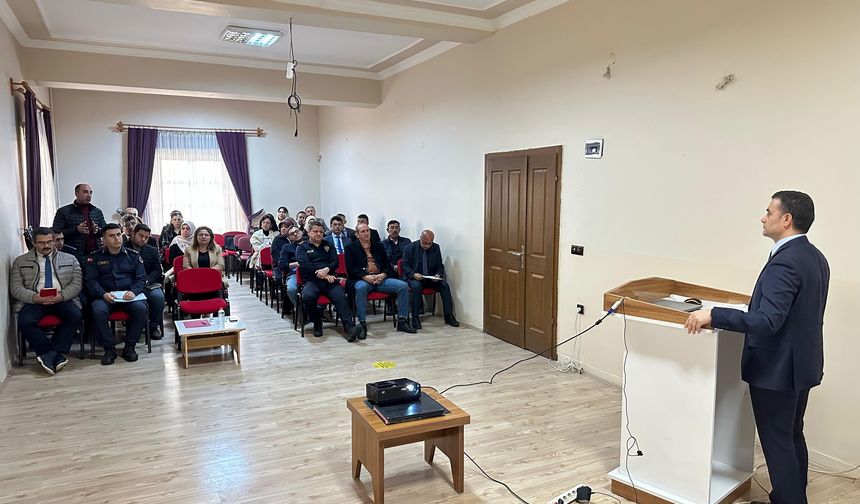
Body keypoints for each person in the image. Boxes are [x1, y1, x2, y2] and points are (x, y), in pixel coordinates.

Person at [684, 191, 829, 504]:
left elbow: (767, 321)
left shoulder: (785, 263)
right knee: (791, 436)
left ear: (786, 219)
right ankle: (789, 497)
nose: (763, 217)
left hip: (777, 370)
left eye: (768, 211)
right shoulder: (814, 257)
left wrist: (713, 314)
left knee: (778, 442)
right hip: (801, 365)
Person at [10, 227, 83, 375]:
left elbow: (77, 284)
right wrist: (34, 297)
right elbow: (16, 288)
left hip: (62, 298)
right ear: (34, 242)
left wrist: (61, 296)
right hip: (34, 300)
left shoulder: (70, 259)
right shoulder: (20, 261)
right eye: (41, 243)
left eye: (50, 241)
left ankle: (52, 354)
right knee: (25, 321)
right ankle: (51, 354)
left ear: (54, 241)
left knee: (74, 315)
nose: (46, 245)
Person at [86, 224, 148, 365]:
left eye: (119, 234)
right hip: (106, 297)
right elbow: (91, 281)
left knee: (140, 309)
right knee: (98, 311)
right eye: (112, 235)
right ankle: (109, 349)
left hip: (129, 296)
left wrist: (133, 292)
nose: (116, 238)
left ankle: (129, 347)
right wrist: (103, 294)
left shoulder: (133, 256)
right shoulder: (94, 258)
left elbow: (141, 279)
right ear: (103, 239)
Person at [296, 220, 362, 341]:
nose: (319, 234)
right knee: (308, 297)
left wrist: (326, 270)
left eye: (321, 232)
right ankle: (317, 323)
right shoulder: (302, 248)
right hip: (312, 281)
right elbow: (305, 265)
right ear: (309, 232)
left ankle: (349, 328)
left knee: (341, 296)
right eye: (315, 231)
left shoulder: (328, 245)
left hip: (330, 281)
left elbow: (335, 262)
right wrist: (323, 275)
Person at [345, 223, 416, 337]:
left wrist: (383, 275)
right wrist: (365, 276)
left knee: (403, 286)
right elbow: (350, 268)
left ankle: (402, 320)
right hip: (363, 279)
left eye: (367, 230)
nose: (366, 233)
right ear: (357, 235)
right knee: (360, 287)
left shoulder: (378, 246)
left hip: (380, 278)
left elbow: (387, 265)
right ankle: (362, 324)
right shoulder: (350, 248)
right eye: (363, 231)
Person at [402, 229, 460, 328]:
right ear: (420, 238)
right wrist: (413, 274)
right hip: (415, 277)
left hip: (430, 278)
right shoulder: (409, 247)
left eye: (429, 243)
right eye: (425, 243)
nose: (427, 246)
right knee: (416, 286)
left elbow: (439, 265)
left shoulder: (435, 247)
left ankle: (449, 316)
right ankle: (415, 318)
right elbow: (405, 265)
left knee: (444, 285)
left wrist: (438, 274)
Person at [125, 223, 165, 339]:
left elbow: (157, 270)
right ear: (133, 234)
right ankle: (133, 327)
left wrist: (147, 280)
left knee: (158, 297)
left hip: (148, 284)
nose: (143, 239)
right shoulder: (123, 248)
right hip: (129, 285)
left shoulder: (151, 250)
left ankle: (153, 326)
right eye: (140, 236)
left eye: (146, 237)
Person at [52, 183, 107, 255]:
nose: (89, 195)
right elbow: (56, 233)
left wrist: (98, 230)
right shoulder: (63, 211)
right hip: (72, 253)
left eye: (90, 192)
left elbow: (106, 231)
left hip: (96, 253)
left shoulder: (97, 211)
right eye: (85, 192)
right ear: (76, 193)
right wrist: (76, 230)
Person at [278, 225, 303, 310]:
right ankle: (301, 309)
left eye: (297, 231)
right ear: (289, 238)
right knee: (291, 289)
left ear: (301, 232)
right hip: (294, 273)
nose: (295, 234)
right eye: (292, 234)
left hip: (311, 273)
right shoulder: (287, 247)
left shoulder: (310, 244)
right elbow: (281, 265)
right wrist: (296, 264)